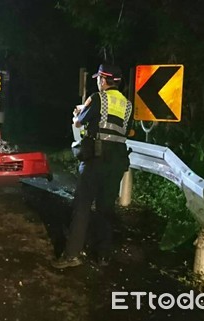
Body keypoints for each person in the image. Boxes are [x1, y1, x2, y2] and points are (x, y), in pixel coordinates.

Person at [52, 64, 134, 269]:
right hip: (117, 160)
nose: (98, 81)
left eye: (99, 78)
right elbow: (128, 131)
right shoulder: (128, 105)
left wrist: (79, 112)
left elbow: (79, 122)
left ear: (104, 80)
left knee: (82, 205)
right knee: (106, 208)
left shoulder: (98, 98)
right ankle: (103, 255)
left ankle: (72, 255)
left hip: (96, 157)